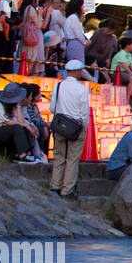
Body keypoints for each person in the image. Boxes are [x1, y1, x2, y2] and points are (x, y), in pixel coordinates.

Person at [48, 59, 92, 198]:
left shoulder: (59, 86)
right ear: (78, 72)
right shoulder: (81, 89)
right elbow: (84, 112)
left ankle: (55, 185)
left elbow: (52, 108)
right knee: (72, 159)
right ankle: (67, 189)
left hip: (61, 124)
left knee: (59, 156)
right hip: (76, 126)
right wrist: (83, 127)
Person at [0, 82, 41, 163]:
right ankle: (22, 155)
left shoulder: (11, 107)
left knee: (23, 127)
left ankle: (27, 154)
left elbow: (20, 121)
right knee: (17, 128)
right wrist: (26, 125)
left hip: (2, 131)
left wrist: (18, 106)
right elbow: (7, 122)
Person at [21, 83, 50, 160]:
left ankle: (44, 153)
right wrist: (46, 124)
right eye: (39, 94)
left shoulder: (35, 106)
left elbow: (39, 118)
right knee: (40, 129)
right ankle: (38, 154)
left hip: (35, 124)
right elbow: (33, 120)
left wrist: (45, 126)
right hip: (32, 125)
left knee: (45, 130)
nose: (41, 95)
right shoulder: (27, 107)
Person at [61, 0, 88, 64]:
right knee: (78, 65)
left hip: (72, 43)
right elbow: (78, 34)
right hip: (76, 43)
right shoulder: (74, 18)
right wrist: (85, 42)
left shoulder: (71, 17)